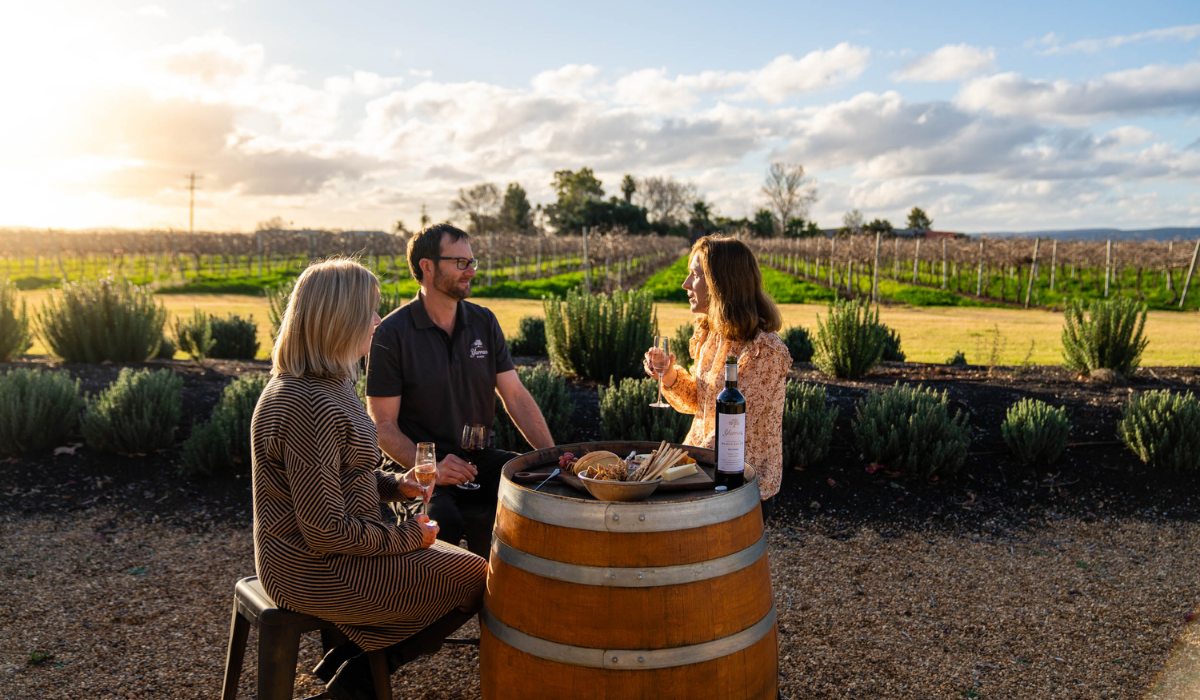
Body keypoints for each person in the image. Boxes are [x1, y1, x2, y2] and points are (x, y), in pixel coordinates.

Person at [251, 258, 488, 700]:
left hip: (340, 549)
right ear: (337, 320)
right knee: (479, 578)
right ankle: (356, 683)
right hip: (311, 567)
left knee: (471, 569)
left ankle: (350, 667)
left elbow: (344, 472)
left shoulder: (330, 382)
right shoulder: (307, 404)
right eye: (369, 312)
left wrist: (398, 485)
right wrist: (407, 537)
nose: (378, 322)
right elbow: (324, 530)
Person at [366, 223, 554, 559]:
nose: (470, 272)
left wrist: (553, 456)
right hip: (422, 473)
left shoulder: (484, 322)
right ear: (427, 266)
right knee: (445, 523)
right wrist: (432, 467)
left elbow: (515, 395)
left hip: (479, 459)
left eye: (472, 262)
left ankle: (504, 605)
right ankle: (436, 610)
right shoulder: (392, 334)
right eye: (460, 263)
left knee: (539, 490)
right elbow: (383, 426)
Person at [644, 235, 791, 519]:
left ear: (722, 284)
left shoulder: (765, 351)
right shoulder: (712, 335)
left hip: (738, 487)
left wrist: (671, 468)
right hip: (702, 474)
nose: (686, 284)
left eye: (696, 275)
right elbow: (699, 403)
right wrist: (670, 374)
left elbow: (734, 427)